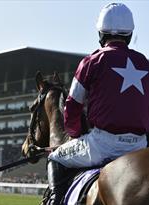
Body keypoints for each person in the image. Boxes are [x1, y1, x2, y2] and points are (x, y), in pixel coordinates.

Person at [46, 3, 149, 205]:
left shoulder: (92, 61)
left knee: (55, 158)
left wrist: (75, 134)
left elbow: (72, 107)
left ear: (101, 34)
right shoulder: (145, 62)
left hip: (102, 144)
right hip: (140, 145)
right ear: (129, 35)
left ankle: (54, 200)